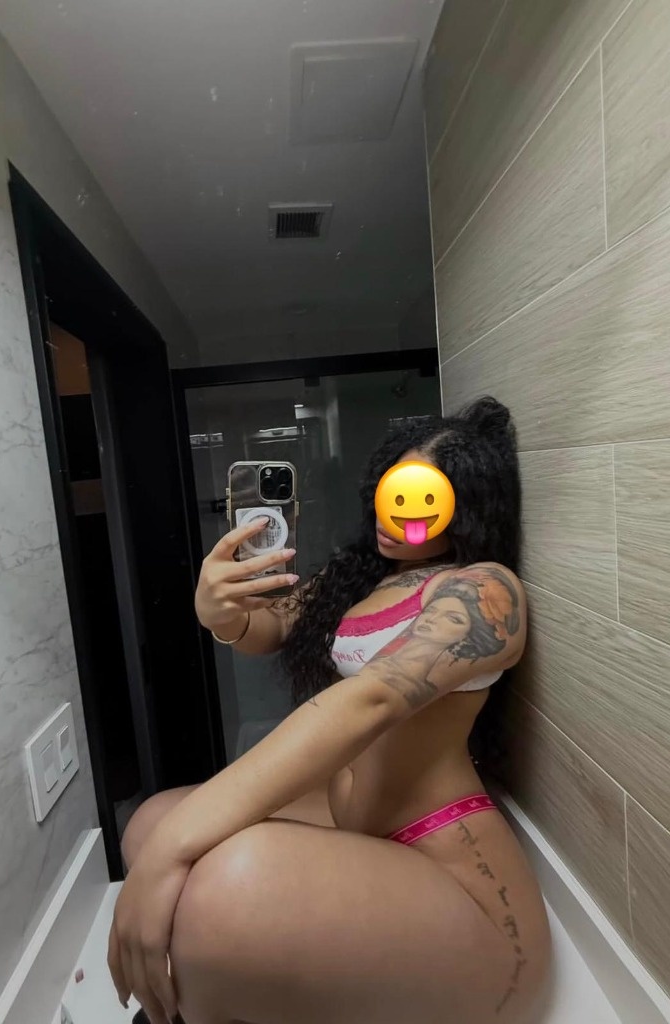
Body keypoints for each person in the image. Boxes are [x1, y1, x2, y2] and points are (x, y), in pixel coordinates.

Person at [108, 396, 551, 1024]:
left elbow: (370, 700)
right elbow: (268, 626)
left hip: (454, 877)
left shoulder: (482, 589)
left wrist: (180, 847)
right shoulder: (365, 578)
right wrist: (221, 614)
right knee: (150, 823)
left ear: (468, 510)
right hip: (354, 825)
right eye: (389, 493)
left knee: (212, 882)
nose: (393, 515)